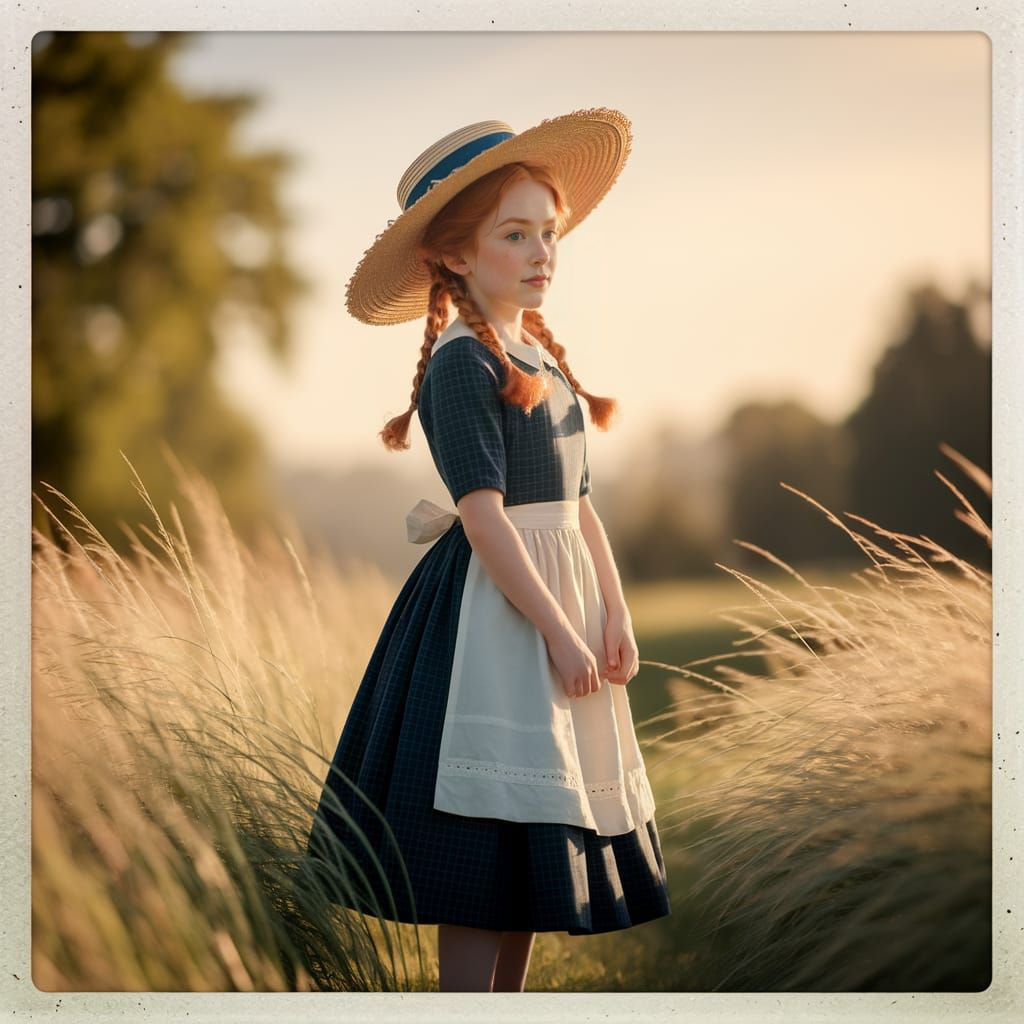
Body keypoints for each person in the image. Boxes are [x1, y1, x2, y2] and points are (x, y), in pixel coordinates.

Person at [305, 108, 671, 993]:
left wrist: (612, 610)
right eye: (516, 234)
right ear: (458, 256)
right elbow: (487, 521)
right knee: (485, 843)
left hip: (562, 614)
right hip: (495, 625)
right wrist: (556, 629)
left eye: (549, 232)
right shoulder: (461, 366)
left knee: (530, 851)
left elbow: (580, 511)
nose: (542, 251)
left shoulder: (543, 364)